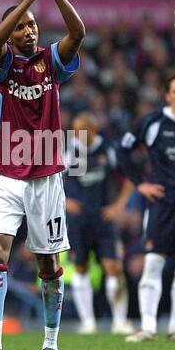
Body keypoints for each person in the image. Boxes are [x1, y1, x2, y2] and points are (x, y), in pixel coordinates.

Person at [0, 0, 85, 350]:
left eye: (32, 26)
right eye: (21, 27)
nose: (29, 31)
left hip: (45, 177)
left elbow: (79, 32)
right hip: (2, 173)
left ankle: (50, 343)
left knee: (48, 262)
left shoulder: (50, 62)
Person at [117, 74, 175, 342]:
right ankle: (148, 326)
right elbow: (122, 150)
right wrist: (140, 184)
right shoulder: (153, 122)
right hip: (162, 204)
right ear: (167, 95)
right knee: (153, 263)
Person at [65, 112, 134, 334]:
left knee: (114, 267)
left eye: (81, 132)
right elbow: (49, 179)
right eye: (75, 132)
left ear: (93, 131)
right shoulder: (68, 151)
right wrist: (65, 201)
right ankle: (88, 322)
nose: (77, 136)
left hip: (104, 218)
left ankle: (120, 321)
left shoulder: (109, 149)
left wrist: (118, 205)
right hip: (78, 220)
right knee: (80, 267)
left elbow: (131, 177)